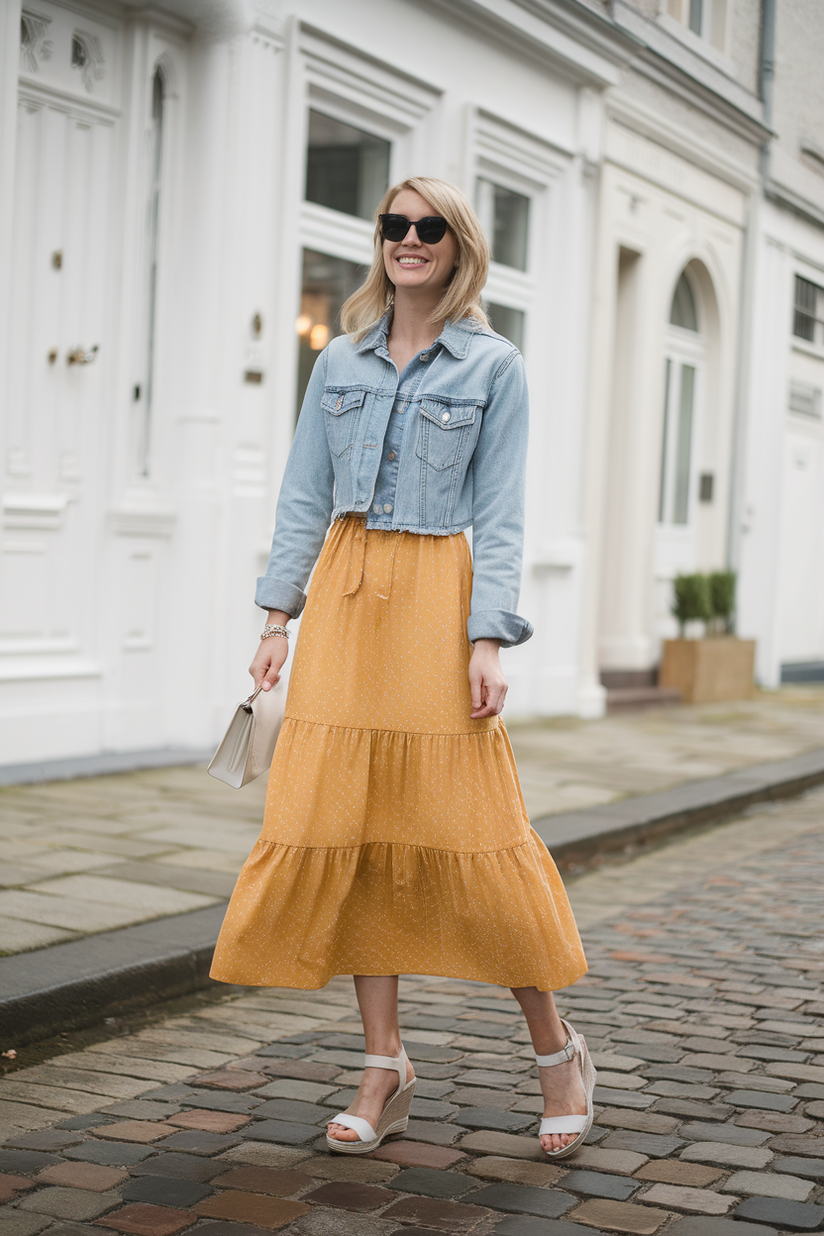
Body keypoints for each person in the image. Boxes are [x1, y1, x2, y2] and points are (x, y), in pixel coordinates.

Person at [210, 176, 595, 1159]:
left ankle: (556, 1051)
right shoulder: (337, 358)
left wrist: (485, 638)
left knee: (471, 826)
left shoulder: (493, 365)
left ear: (458, 247)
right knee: (347, 827)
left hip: (435, 601)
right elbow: (304, 494)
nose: (408, 240)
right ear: (378, 238)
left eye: (428, 228)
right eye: (394, 225)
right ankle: (382, 1064)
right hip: (341, 597)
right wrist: (274, 617)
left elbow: (501, 514)